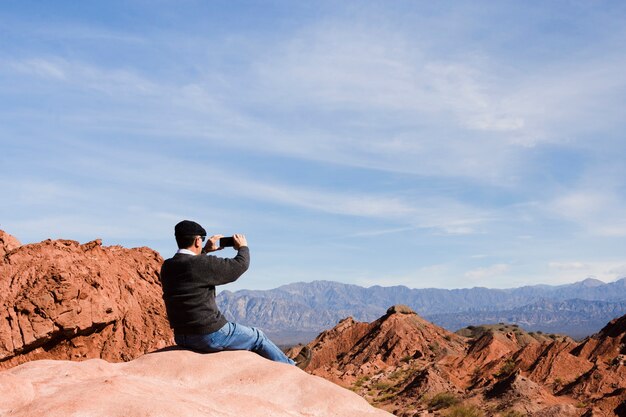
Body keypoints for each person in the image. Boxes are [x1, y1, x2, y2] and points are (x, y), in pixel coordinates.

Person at [160, 220, 310, 368]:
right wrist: (243, 247)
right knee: (257, 337)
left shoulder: (168, 266)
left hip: (182, 336)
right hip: (208, 335)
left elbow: (192, 270)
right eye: (202, 239)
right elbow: (239, 266)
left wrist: (205, 251)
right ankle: (291, 367)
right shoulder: (200, 264)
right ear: (198, 241)